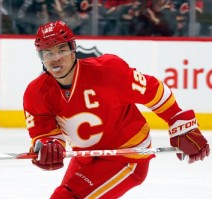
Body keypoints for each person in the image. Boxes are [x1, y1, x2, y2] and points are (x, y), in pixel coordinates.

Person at [23, 20, 210, 199]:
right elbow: (45, 132)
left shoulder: (108, 71)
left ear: (73, 50)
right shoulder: (36, 93)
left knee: (65, 197)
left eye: (61, 50)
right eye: (47, 53)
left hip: (127, 155)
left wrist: (179, 121)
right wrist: (49, 146)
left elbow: (153, 90)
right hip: (86, 158)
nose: (55, 58)